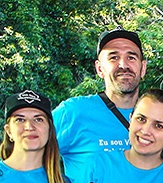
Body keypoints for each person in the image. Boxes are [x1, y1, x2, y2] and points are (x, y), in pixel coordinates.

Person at [55, 29, 147, 174]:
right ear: (99, 69)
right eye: (113, 58)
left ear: (143, 68)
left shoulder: (158, 118)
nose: (123, 65)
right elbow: (26, 158)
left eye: (131, 57)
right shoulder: (73, 112)